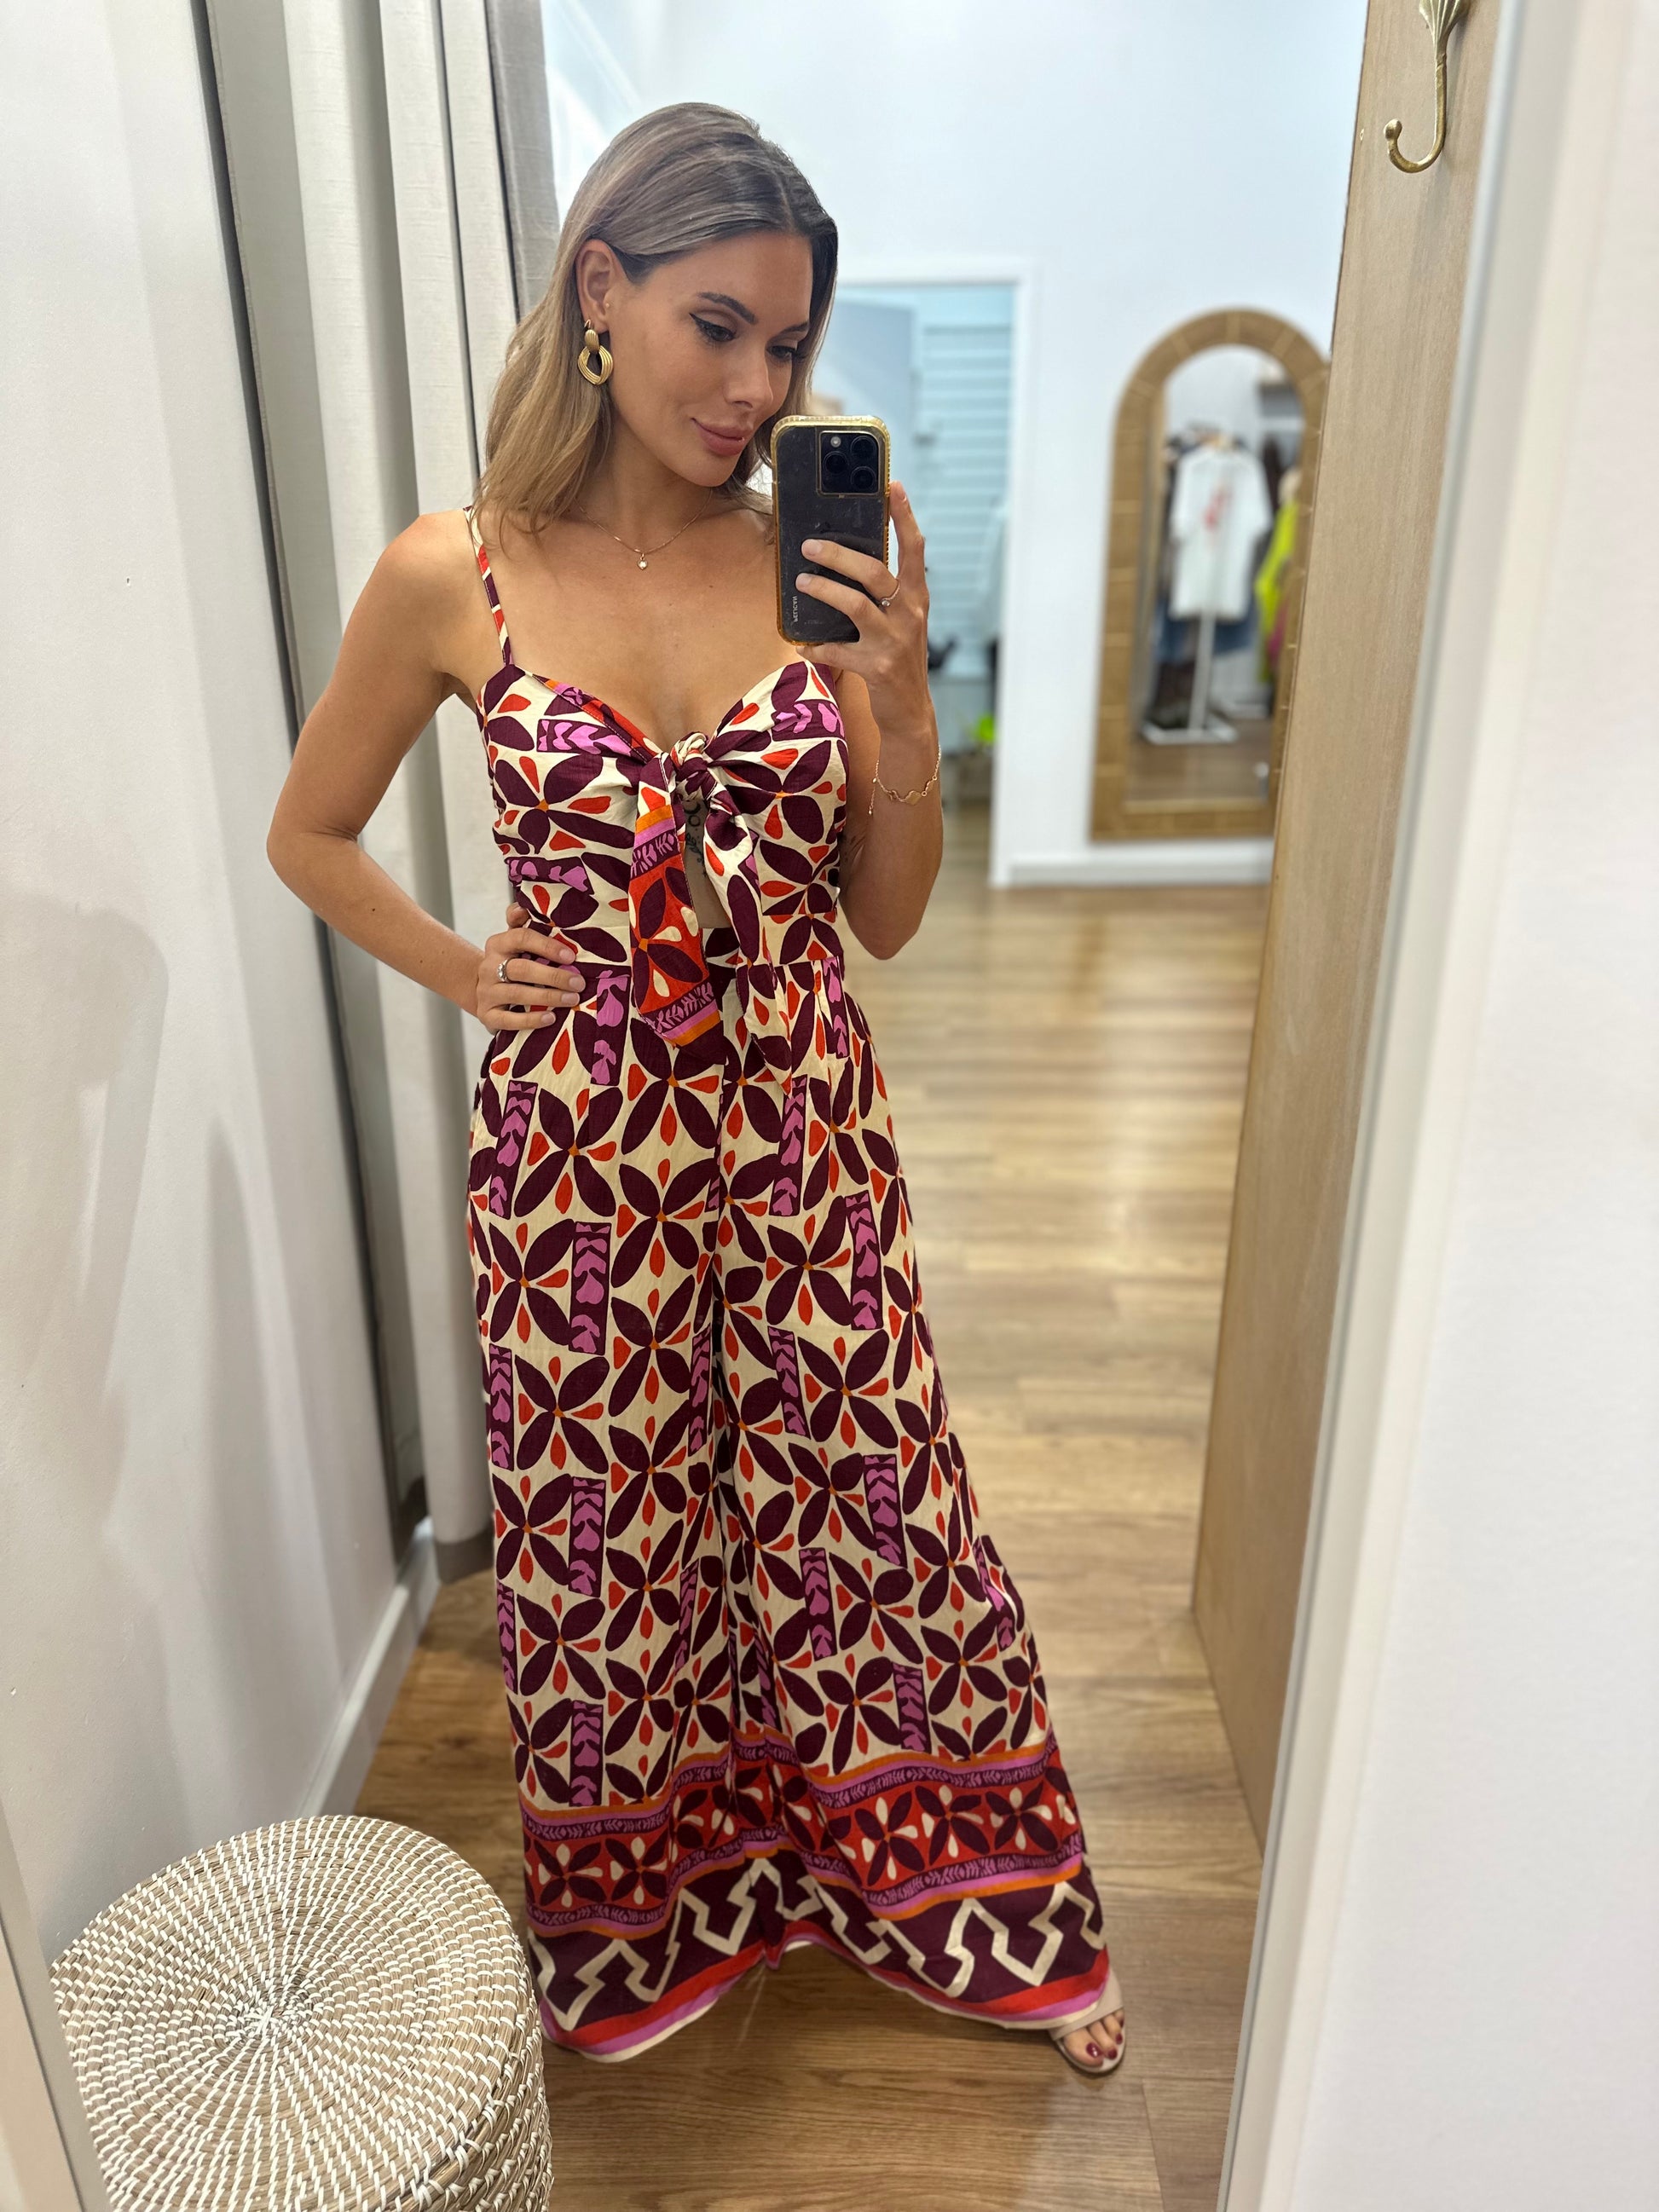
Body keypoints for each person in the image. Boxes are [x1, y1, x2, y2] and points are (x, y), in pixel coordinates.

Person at [267, 101, 1124, 2078]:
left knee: (873, 1500)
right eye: (715, 326)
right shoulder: (453, 575)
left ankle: (967, 1891)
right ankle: (663, 1908)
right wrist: (467, 967)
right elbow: (309, 831)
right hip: (579, 1156)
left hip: (801, 1127)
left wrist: (898, 704)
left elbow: (884, 917)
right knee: (617, 1528)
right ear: (602, 290)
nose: (754, 387)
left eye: (787, 345)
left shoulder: (823, 560)